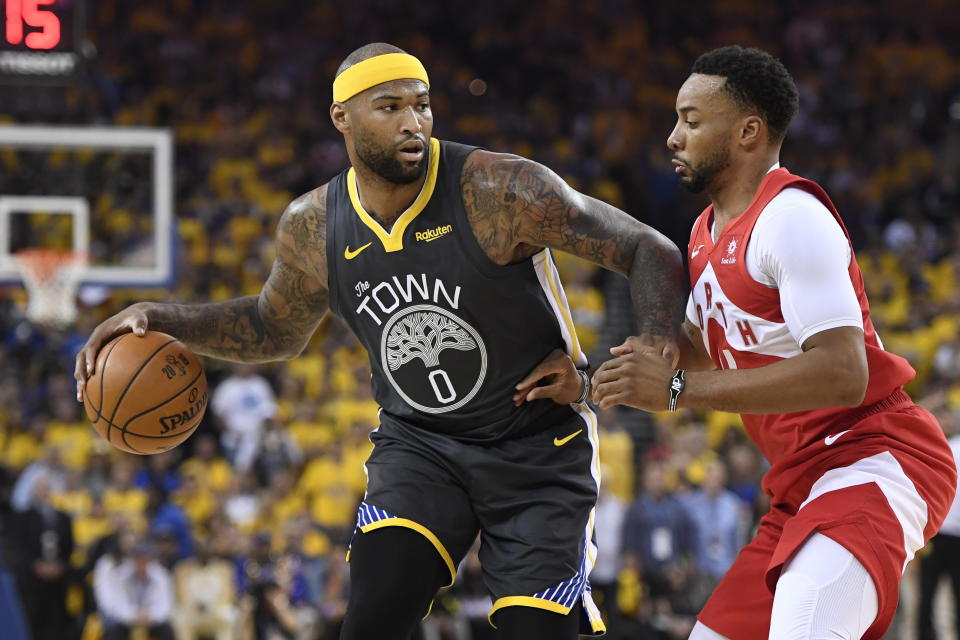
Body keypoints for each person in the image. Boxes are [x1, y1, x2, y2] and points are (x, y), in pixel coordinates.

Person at [75, 42, 687, 639]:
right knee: (372, 614)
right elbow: (272, 329)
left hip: (537, 446)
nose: (413, 122)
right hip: (421, 446)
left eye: (421, 105)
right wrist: (161, 317)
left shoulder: (501, 191)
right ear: (342, 116)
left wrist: (615, 365)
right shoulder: (313, 225)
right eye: (389, 107)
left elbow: (648, 249)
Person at [592, 45, 958, 640]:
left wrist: (679, 389)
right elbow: (697, 342)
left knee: (804, 625)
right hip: (800, 482)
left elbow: (845, 373)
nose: (671, 137)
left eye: (690, 119)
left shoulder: (791, 218)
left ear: (747, 132)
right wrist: (598, 375)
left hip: (873, 457)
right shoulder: (703, 233)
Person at [917, 404, 960, 640]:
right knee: (927, 594)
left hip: (943, 532)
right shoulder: (948, 449)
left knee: (931, 594)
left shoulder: (948, 448)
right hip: (938, 532)